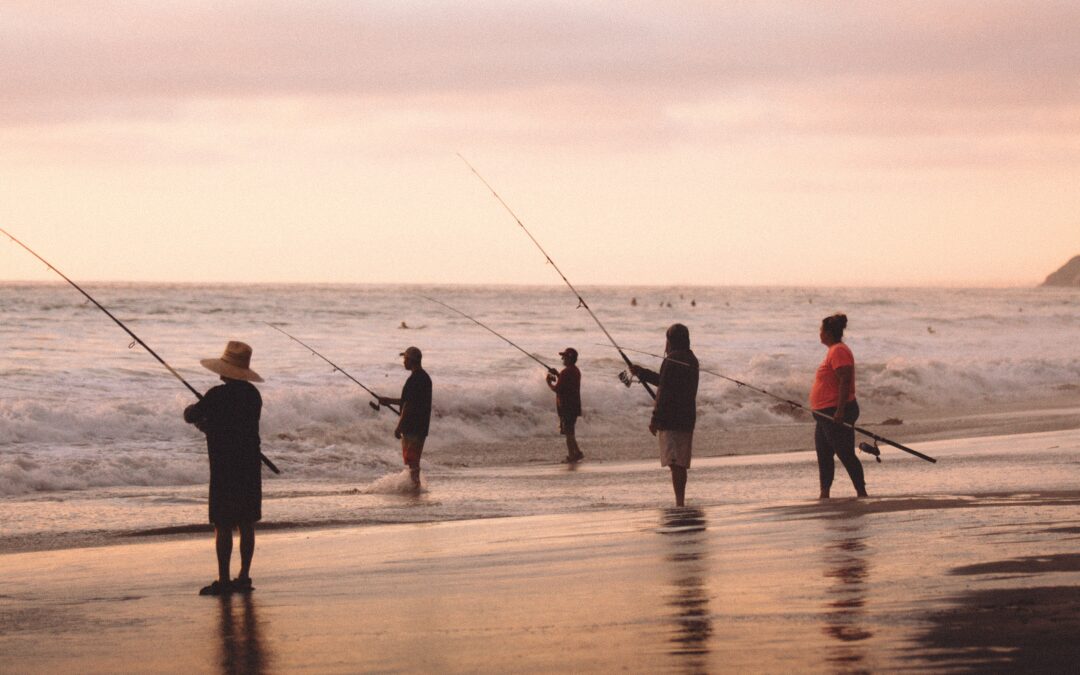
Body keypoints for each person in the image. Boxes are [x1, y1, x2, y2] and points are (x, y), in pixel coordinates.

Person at [184, 341, 265, 596]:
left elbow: (190, 414)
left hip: (224, 466)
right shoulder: (253, 395)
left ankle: (223, 579)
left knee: (223, 523)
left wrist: (204, 423)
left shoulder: (216, 395)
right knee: (246, 522)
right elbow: (237, 424)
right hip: (250, 464)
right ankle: (244, 577)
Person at [630, 324, 699, 506]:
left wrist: (655, 418)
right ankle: (680, 501)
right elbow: (664, 382)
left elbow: (664, 392)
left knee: (675, 463)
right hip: (687, 416)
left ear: (671, 340)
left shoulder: (672, 360)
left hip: (671, 419)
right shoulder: (692, 359)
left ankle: (679, 502)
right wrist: (642, 373)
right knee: (680, 463)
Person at [811, 313, 867, 498]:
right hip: (824, 414)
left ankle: (861, 492)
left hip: (836, 411)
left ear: (828, 332)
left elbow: (845, 380)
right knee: (824, 455)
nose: (819, 333)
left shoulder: (838, 351)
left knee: (845, 454)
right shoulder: (834, 350)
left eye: (821, 330)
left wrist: (840, 410)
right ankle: (824, 494)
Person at [379, 346, 432, 489]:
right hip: (421, 426)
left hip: (412, 427)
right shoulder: (425, 378)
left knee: (412, 461)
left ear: (411, 360)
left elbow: (408, 405)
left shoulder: (414, 380)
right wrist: (388, 401)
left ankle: (416, 487)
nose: (403, 362)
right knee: (413, 461)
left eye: (405, 359)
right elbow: (408, 401)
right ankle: (415, 486)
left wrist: (399, 427)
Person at [546, 347, 583, 463]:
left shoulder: (566, 372)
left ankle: (572, 456)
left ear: (569, 358)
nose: (562, 358)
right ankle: (577, 453)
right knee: (570, 431)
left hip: (566, 406)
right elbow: (567, 384)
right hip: (574, 405)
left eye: (564, 357)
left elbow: (557, 389)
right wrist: (558, 374)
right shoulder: (575, 370)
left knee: (569, 433)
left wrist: (548, 383)